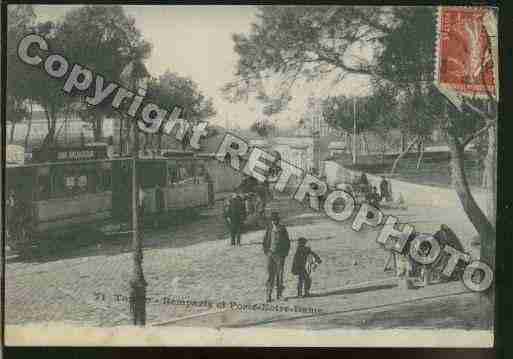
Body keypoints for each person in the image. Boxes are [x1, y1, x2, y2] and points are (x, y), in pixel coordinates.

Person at [262, 212, 291, 302]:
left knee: (280, 275)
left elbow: (287, 242)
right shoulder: (269, 229)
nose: (274, 221)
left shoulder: (283, 229)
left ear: (278, 220)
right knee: (270, 275)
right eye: (272, 220)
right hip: (270, 254)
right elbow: (265, 241)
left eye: (275, 220)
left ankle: (279, 295)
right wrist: (267, 252)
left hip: (280, 255)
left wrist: (284, 254)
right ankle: (268, 295)